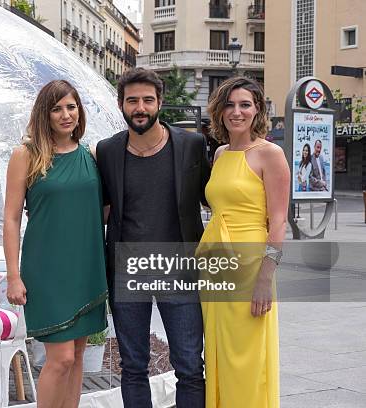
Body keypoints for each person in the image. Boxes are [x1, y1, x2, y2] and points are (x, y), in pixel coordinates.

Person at [95, 68, 209, 408]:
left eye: (147, 99)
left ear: (160, 102)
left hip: (180, 270)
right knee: (132, 366)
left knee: (189, 365)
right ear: (121, 105)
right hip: (128, 269)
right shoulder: (107, 151)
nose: (140, 107)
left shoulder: (191, 144)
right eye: (132, 100)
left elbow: (214, 196)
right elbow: (100, 209)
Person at [3, 80, 107, 408]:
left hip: (87, 267)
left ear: (80, 111)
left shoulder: (91, 155)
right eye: (57, 108)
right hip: (46, 270)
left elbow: (103, 210)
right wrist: (13, 275)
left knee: (77, 357)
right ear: (44, 114)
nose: (66, 115)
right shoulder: (26, 155)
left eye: (71, 107)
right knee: (60, 358)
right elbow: (11, 218)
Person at [201, 76, 289, 407]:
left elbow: (278, 221)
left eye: (245, 105)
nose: (236, 112)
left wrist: (266, 278)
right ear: (220, 111)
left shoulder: (270, 153)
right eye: (230, 105)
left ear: (257, 110)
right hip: (214, 265)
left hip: (251, 268)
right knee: (220, 351)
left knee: (248, 358)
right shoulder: (221, 153)